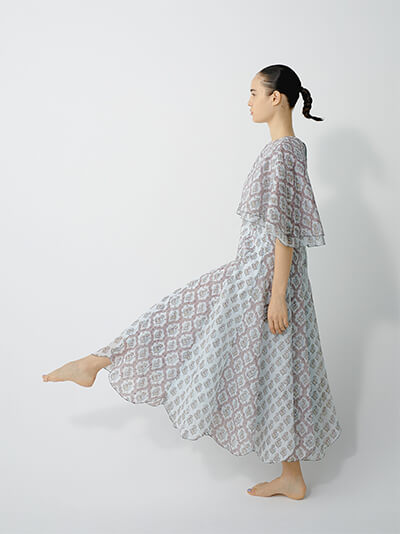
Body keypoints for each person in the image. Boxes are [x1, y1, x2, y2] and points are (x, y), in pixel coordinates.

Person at [42, 64, 342, 500]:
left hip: (261, 279)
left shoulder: (282, 153)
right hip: (262, 274)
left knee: (184, 319)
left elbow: (285, 229)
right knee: (280, 365)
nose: (248, 101)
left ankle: (97, 361)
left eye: (254, 92)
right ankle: (291, 475)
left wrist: (277, 294)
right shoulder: (290, 150)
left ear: (276, 97)